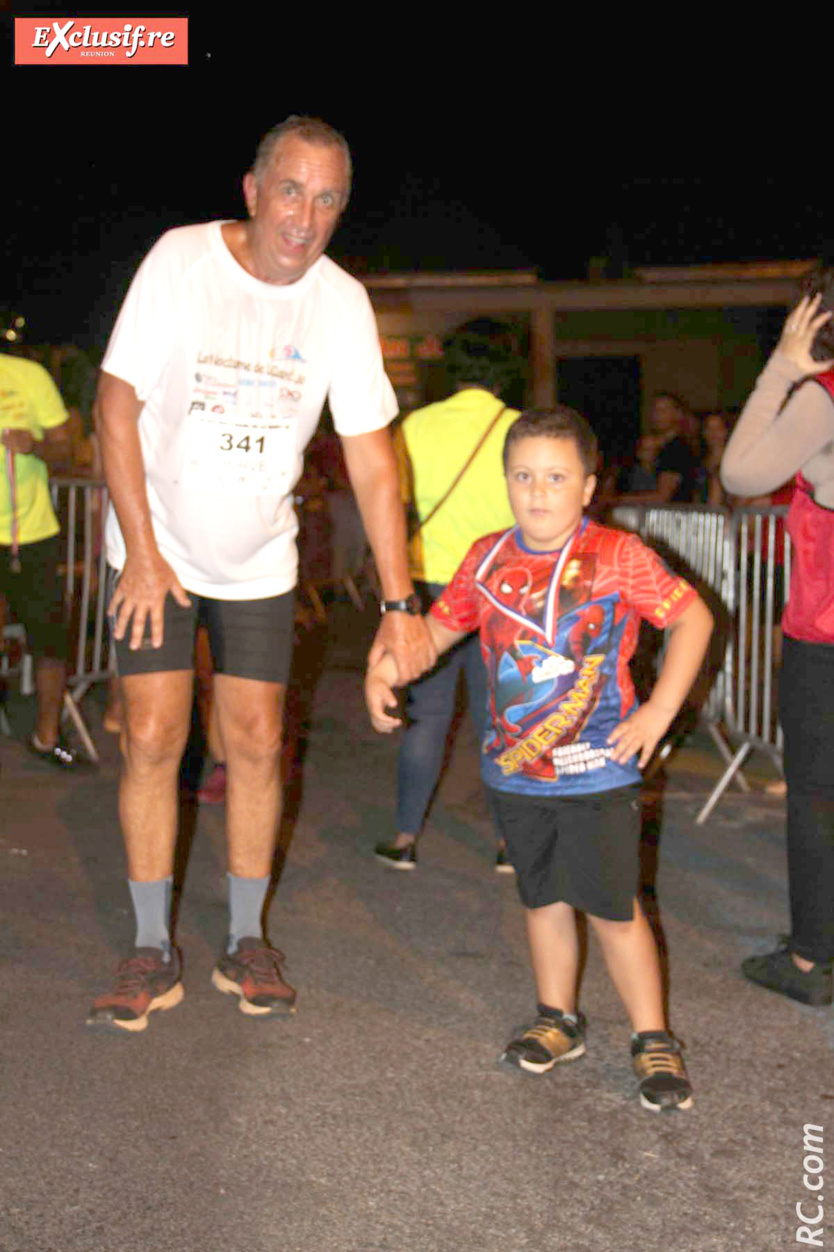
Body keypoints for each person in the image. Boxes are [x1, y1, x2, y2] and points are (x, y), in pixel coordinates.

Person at [88, 115, 434, 1033]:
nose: (305, 217)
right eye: (291, 189)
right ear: (252, 189)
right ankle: (151, 945)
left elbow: (371, 462)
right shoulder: (180, 261)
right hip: (153, 552)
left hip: (257, 566)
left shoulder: (341, 303)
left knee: (253, 742)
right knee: (155, 739)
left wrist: (401, 605)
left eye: (327, 200)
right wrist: (143, 552)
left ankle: (246, 939)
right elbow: (114, 406)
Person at [366, 406, 713, 1111]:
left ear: (588, 486)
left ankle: (653, 1036)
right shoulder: (486, 557)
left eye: (556, 477)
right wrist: (384, 670)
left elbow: (692, 618)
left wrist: (659, 711)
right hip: (515, 772)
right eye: (523, 476)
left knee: (616, 910)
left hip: (601, 768)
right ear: (505, 481)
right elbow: (435, 633)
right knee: (543, 898)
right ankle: (558, 1018)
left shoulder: (618, 555)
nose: (538, 492)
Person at [721, 274, 834, 1008]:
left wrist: (784, 369)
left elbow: (741, 471)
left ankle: (811, 959)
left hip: (826, 632)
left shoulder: (823, 398)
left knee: (818, 796)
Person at [373, 319, 520, 873]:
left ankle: (405, 837)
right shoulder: (522, 429)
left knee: (427, 716)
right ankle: (511, 845)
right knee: (500, 720)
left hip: (430, 588)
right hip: (502, 589)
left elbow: (397, 505)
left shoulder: (415, 426)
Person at [0, 351, 82, 769]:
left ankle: (47, 737)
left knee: (51, 641)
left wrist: (31, 446)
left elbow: (66, 452)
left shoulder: (27, 375)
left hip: (29, 535)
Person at [617, 393, 698, 505]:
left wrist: (615, 500)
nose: (657, 415)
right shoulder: (654, 445)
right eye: (655, 410)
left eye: (663, 410)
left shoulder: (678, 449)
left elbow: (662, 497)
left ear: (677, 414)